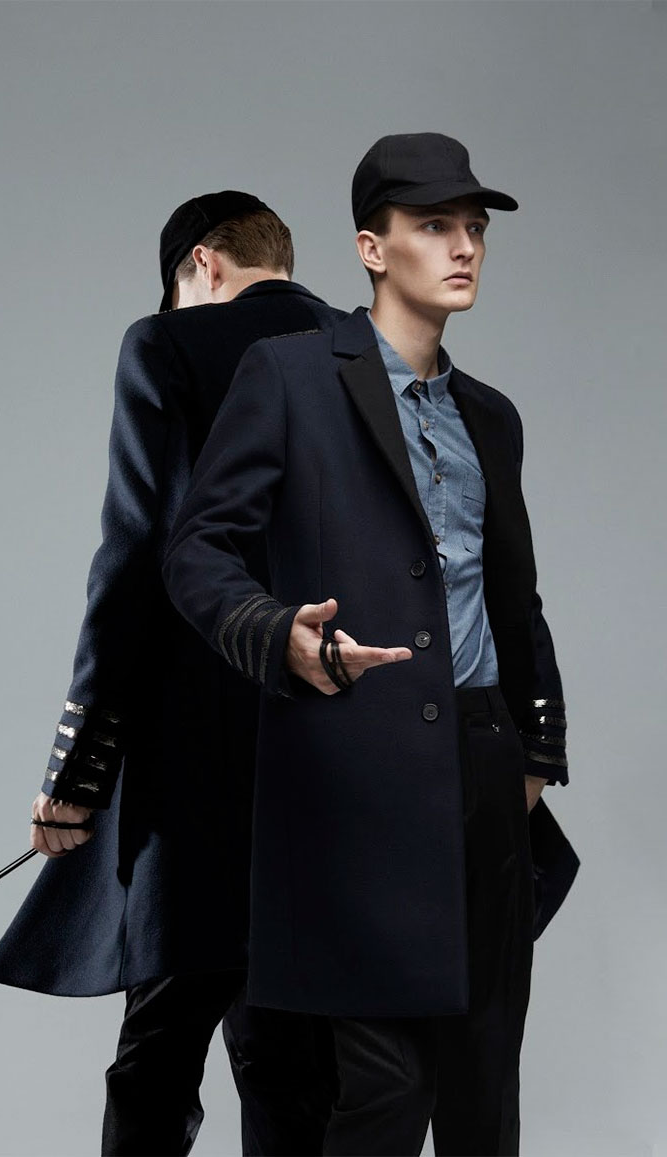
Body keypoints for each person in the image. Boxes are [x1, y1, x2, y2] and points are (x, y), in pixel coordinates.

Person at [162, 135, 578, 1155]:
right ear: (370, 247)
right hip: (353, 777)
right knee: (385, 1091)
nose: (464, 246)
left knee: (482, 1092)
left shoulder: (491, 417)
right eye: (434, 225)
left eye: (473, 227)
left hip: (482, 770)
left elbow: (511, 592)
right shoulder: (289, 374)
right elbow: (197, 549)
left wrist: (533, 749)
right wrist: (276, 636)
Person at [0, 190, 345, 1156]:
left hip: (200, 757)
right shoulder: (369, 349)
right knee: (297, 1060)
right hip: (341, 749)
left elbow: (137, 554)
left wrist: (76, 770)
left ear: (202, 265)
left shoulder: (167, 343)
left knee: (160, 1049)